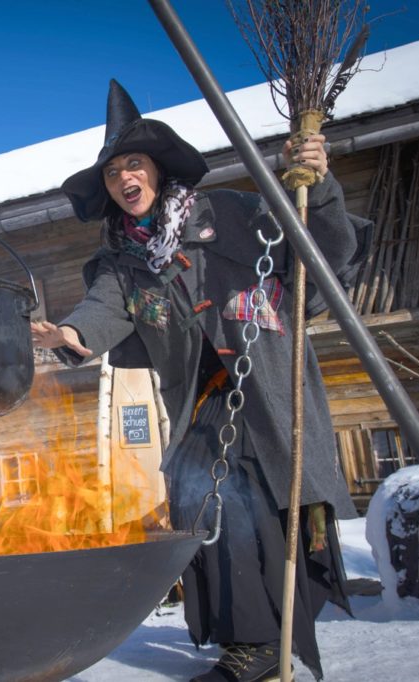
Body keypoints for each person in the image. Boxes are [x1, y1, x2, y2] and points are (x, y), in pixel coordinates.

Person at [32, 81, 369, 682]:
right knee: (206, 507)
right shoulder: (123, 263)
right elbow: (100, 315)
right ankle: (250, 643)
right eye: (111, 174)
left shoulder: (233, 213)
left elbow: (322, 248)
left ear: (158, 171)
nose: (123, 180)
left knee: (263, 511)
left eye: (132, 164)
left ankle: (263, 643)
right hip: (201, 406)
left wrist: (317, 189)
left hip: (265, 392)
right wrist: (69, 335)